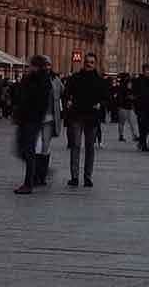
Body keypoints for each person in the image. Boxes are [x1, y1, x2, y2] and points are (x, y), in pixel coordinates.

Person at [62, 53, 111, 187]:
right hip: (77, 116)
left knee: (90, 148)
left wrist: (101, 104)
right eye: (87, 62)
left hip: (92, 117)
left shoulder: (100, 80)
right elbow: (66, 93)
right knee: (76, 146)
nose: (89, 64)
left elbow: (106, 97)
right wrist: (68, 102)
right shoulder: (75, 78)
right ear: (84, 63)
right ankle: (75, 177)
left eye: (92, 62)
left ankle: (88, 177)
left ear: (95, 64)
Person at [11, 55, 56, 193]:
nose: (29, 67)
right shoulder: (29, 79)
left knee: (28, 151)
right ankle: (40, 170)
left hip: (33, 119)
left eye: (31, 65)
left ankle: (29, 184)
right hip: (24, 118)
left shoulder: (42, 81)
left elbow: (38, 101)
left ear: (37, 67)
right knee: (21, 150)